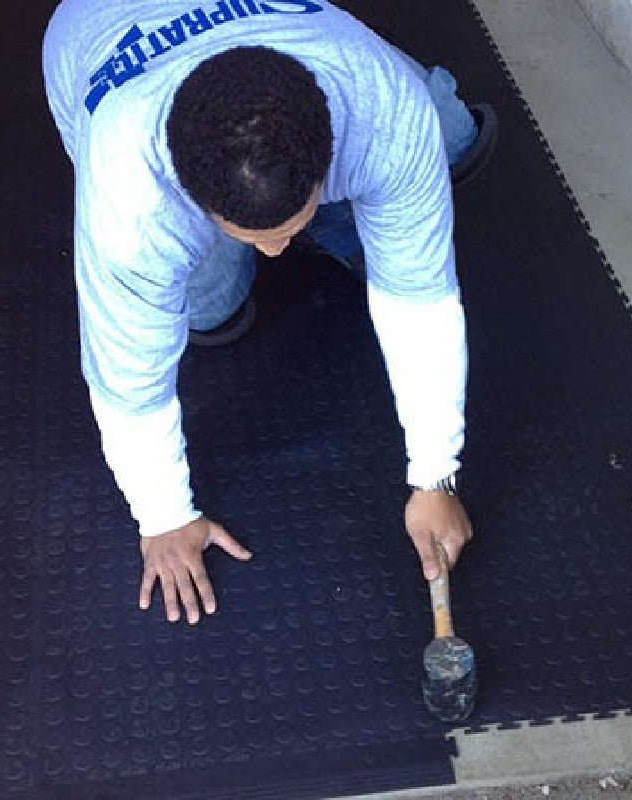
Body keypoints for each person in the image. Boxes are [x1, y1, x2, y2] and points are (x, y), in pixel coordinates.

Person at [42, 0, 497, 625]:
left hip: (302, 49)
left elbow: (421, 299)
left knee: (448, 140)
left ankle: (340, 209)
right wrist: (163, 514)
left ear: (326, 147)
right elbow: (129, 381)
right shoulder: (129, 199)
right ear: (191, 195)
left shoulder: (377, 103)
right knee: (210, 314)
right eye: (251, 232)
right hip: (93, 25)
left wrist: (435, 476)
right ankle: (320, 219)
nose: (276, 251)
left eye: (288, 226)